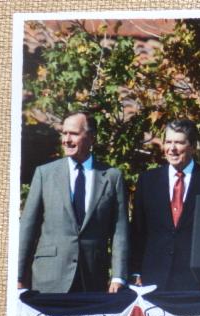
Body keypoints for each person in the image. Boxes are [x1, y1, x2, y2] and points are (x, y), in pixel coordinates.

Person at [18, 112, 129, 293]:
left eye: (74, 134)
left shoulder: (112, 177)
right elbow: (28, 228)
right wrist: (18, 276)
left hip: (93, 280)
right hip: (49, 279)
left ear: (91, 138)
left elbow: (120, 232)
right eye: (64, 133)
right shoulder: (44, 174)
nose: (66, 140)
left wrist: (118, 277)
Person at [130, 119, 200, 291]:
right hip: (154, 277)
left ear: (192, 146)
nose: (172, 148)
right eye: (168, 142)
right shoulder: (147, 180)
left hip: (197, 280)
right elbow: (138, 231)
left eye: (179, 142)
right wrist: (135, 271)